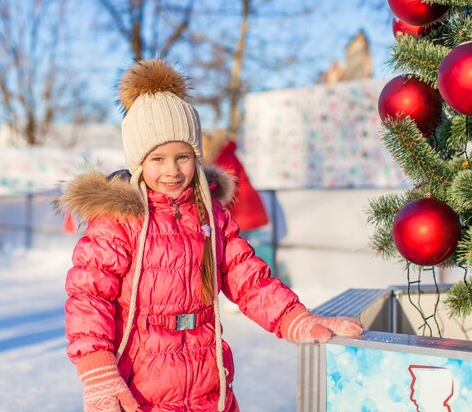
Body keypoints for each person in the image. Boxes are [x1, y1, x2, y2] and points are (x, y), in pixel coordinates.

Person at [58, 59, 363, 412]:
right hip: (141, 384)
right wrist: (97, 372)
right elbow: (88, 297)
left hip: (208, 380)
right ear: (139, 162)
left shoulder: (210, 215)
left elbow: (249, 280)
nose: (172, 170)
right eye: (157, 159)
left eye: (183, 157)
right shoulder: (121, 221)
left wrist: (295, 318)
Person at [203, 130, 269, 232]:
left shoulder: (224, 157)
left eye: (203, 149)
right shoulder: (225, 154)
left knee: (239, 245)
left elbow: (226, 187)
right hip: (244, 210)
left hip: (243, 211)